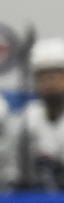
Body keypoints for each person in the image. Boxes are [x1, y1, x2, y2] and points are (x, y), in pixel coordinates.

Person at [13, 37, 64, 190]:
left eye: (56, 75)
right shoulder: (27, 117)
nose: (50, 83)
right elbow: (15, 175)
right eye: (43, 76)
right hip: (36, 201)